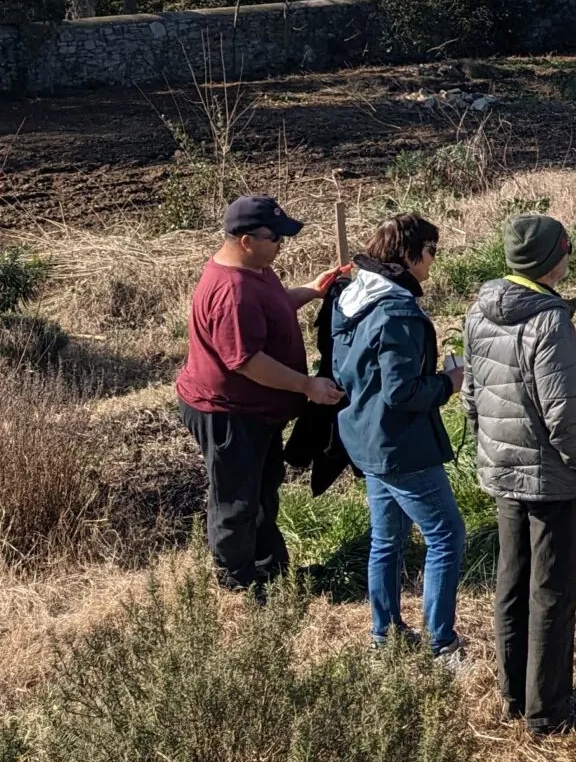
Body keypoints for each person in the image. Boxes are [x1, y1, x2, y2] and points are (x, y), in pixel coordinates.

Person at [465, 214, 576, 735]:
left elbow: (472, 397)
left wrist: (492, 450)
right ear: (552, 259)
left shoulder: (479, 310)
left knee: (512, 581)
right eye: (567, 249)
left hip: (502, 468)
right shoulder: (549, 321)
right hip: (550, 479)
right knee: (551, 590)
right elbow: (564, 417)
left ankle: (512, 693)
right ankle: (547, 712)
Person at [173, 194, 347, 592]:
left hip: (256, 411)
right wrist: (307, 386)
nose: (281, 245)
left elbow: (271, 307)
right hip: (229, 413)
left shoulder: (254, 268)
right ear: (246, 239)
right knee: (236, 500)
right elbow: (247, 362)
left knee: (263, 487)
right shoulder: (232, 292)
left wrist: (310, 291)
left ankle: (270, 569)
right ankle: (237, 583)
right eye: (275, 238)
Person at [328, 212, 466, 654]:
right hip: (401, 446)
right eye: (430, 252)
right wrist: (449, 383)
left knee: (386, 539)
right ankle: (442, 644)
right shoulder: (398, 312)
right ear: (407, 256)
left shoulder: (352, 295)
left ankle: (384, 637)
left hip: (364, 437)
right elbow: (402, 391)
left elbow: (344, 370)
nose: (432, 261)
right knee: (446, 534)